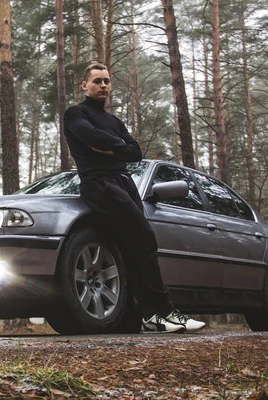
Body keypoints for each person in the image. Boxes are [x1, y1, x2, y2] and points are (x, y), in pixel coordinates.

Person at [63, 62, 205, 333]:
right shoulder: (74, 113)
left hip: (124, 184)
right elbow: (92, 137)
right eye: (97, 81)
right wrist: (113, 147)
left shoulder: (115, 121)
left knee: (134, 247)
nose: (103, 85)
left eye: (106, 81)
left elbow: (136, 153)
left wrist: (107, 147)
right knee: (144, 238)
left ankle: (148, 315)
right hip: (99, 183)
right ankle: (159, 312)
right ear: (85, 85)